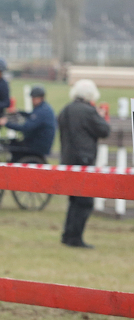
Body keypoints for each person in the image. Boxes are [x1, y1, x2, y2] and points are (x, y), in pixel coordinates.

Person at [58, 79, 110, 249]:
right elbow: (104, 131)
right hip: (85, 160)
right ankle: (75, 238)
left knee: (74, 199)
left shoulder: (66, 109)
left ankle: (67, 235)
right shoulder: (88, 111)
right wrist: (101, 116)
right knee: (85, 201)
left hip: (67, 160)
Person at [0, 85, 57, 161]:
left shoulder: (42, 111)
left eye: (34, 98)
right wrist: (18, 111)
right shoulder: (44, 108)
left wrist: (6, 123)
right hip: (39, 142)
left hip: (36, 145)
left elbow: (26, 127)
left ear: (40, 98)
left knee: (13, 146)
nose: (32, 100)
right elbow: (31, 115)